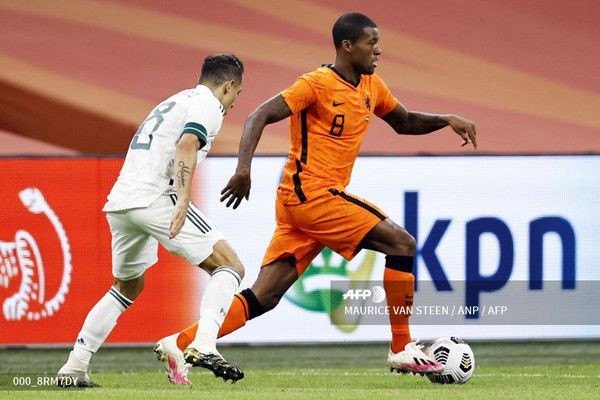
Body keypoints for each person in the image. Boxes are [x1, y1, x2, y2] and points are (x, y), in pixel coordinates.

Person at [159, 12, 477, 382]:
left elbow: (405, 123)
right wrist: (243, 169)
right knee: (402, 244)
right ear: (347, 46)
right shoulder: (316, 83)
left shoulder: (372, 87)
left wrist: (446, 118)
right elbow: (258, 115)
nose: (378, 51)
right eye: (371, 43)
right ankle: (400, 347)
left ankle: (179, 343)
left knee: (264, 297)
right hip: (311, 195)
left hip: (305, 205)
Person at [57, 54, 247, 386]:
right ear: (228, 86)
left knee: (127, 286)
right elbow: (187, 144)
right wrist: (184, 197)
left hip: (122, 200)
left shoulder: (175, 100)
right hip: (156, 196)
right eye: (236, 95)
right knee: (230, 266)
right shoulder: (208, 105)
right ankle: (203, 344)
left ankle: (74, 367)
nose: (232, 104)